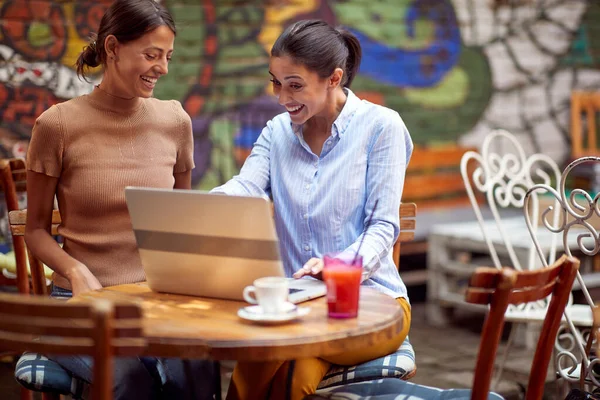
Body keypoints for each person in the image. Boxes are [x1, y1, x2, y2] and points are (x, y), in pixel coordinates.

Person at [212, 19, 414, 400]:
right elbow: (247, 187)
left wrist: (339, 265)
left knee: (275, 368)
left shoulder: (381, 127)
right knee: (282, 367)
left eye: (295, 85)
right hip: (296, 308)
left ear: (334, 78)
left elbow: (384, 227)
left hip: (372, 305)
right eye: (276, 82)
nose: (281, 97)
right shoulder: (276, 131)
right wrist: (202, 206)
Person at [23, 0, 215, 398]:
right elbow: (37, 230)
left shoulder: (175, 121)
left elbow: (181, 221)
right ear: (112, 48)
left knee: (198, 369)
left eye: (167, 57)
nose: (162, 68)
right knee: (130, 376)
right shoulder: (57, 125)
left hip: (154, 299)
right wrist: (75, 272)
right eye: (151, 55)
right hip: (79, 304)